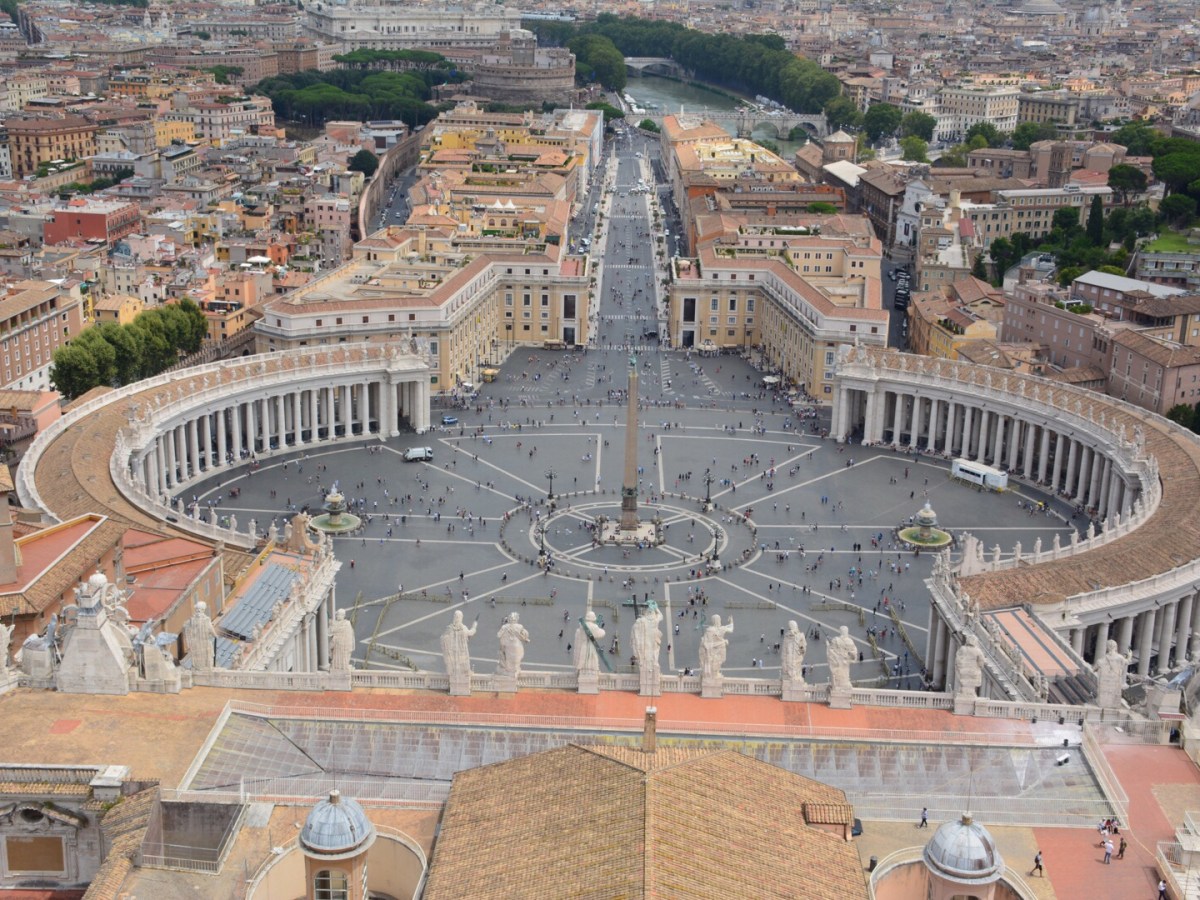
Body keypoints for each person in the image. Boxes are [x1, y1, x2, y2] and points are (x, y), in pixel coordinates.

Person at [440, 610, 477, 681]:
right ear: (461, 618)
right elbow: (471, 633)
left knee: (455, 664)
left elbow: (443, 638)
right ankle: (463, 676)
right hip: (462, 650)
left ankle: (455, 676)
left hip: (453, 651)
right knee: (463, 662)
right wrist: (474, 626)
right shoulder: (463, 628)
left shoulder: (449, 628)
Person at [699, 614, 734, 680]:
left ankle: (713, 673)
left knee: (715, 662)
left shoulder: (709, 630)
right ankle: (714, 674)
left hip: (712, 650)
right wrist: (731, 621)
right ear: (718, 620)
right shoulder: (722, 628)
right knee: (720, 661)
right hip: (721, 648)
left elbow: (707, 643)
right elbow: (731, 629)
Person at [496, 613, 530, 678]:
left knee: (506, 657)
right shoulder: (520, 626)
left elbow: (498, 635)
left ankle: (509, 670)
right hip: (517, 646)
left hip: (508, 646)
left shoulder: (504, 626)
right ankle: (514, 670)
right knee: (516, 658)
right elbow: (525, 635)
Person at [573, 610, 606, 677]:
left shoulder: (582, 627)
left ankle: (583, 670)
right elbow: (601, 634)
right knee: (593, 658)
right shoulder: (594, 627)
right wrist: (602, 630)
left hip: (584, 645)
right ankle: (592, 671)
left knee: (583, 657)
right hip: (591, 645)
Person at [827, 625, 856, 691]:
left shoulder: (835, 640)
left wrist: (828, 646)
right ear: (847, 632)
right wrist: (849, 655)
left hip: (839, 662)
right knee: (844, 675)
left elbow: (830, 650)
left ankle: (839, 684)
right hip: (845, 662)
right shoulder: (850, 641)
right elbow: (854, 653)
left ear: (840, 632)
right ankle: (842, 684)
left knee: (839, 674)